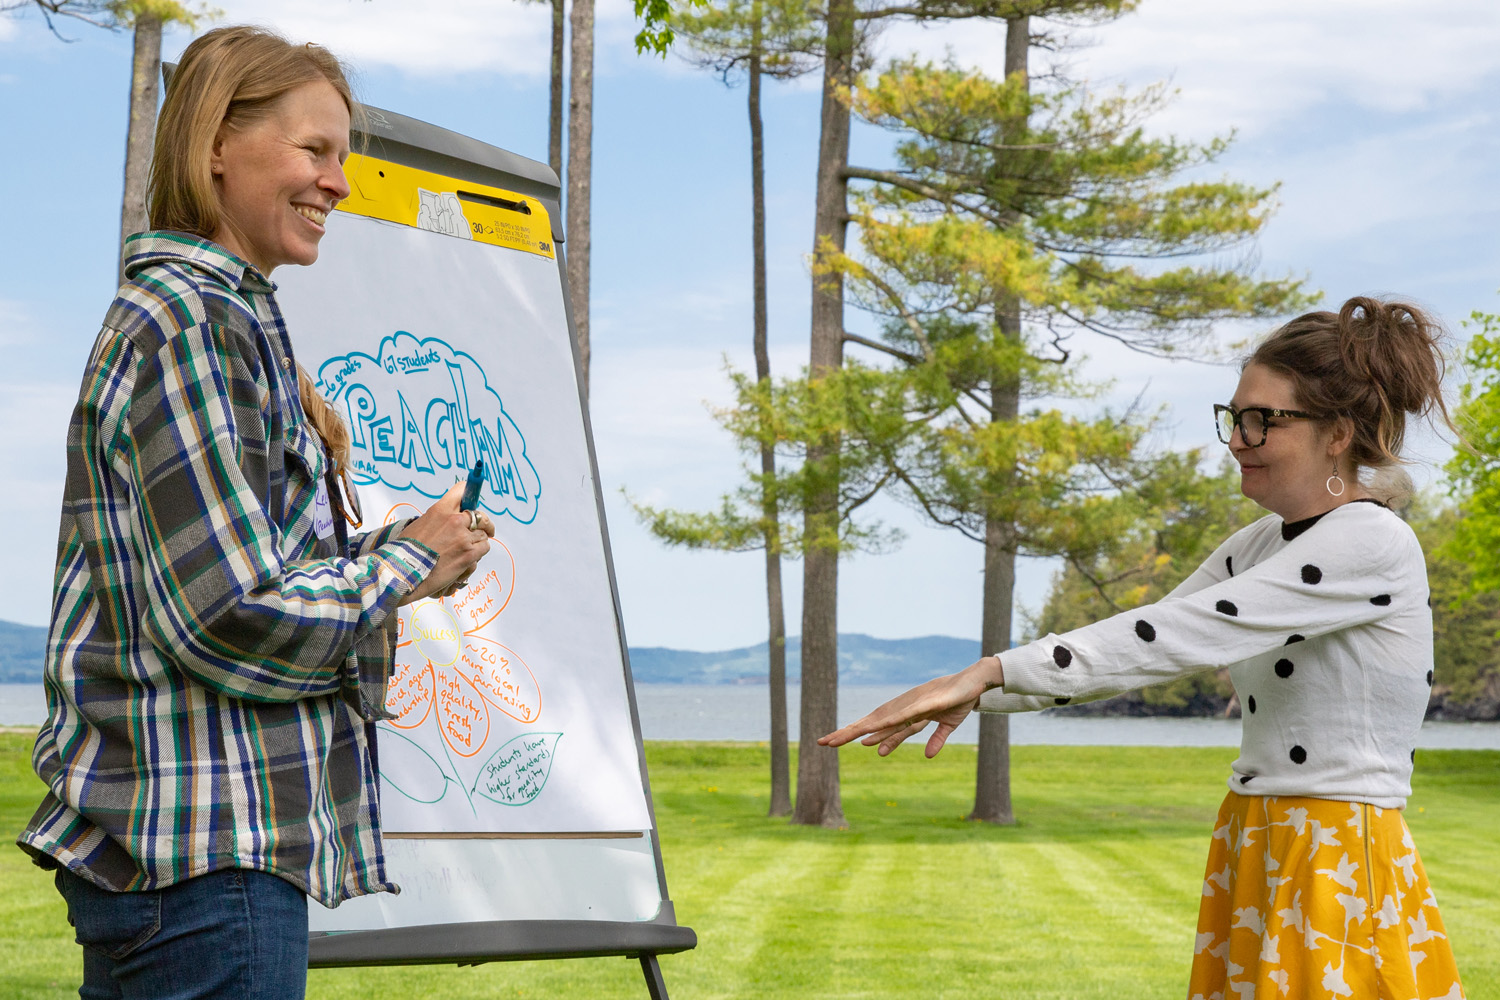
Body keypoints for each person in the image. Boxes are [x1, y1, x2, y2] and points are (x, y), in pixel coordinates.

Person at [17, 26, 493, 1000]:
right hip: (206, 871)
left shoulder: (223, 321)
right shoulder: (192, 324)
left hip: (192, 866)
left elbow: (239, 572)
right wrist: (408, 569)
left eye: (344, 157)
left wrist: (403, 545)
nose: (341, 184)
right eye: (315, 150)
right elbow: (226, 612)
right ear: (216, 147)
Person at [822, 296, 1467, 999]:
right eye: (1234, 417)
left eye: (1261, 420)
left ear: (1337, 432)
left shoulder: (1370, 541)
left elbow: (1173, 638)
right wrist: (977, 692)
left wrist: (989, 671)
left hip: (1331, 849)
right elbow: (1145, 637)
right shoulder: (1256, 545)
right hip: (1261, 833)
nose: (1237, 440)